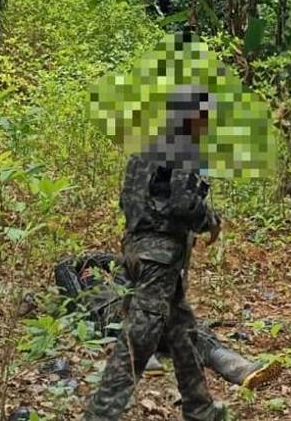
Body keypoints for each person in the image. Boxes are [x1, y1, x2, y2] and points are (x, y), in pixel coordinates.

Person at [85, 85, 226, 421]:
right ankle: (100, 414)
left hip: (136, 250)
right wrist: (210, 221)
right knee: (139, 338)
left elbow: (130, 201)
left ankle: (200, 408)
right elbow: (181, 203)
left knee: (182, 332)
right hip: (159, 257)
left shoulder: (145, 148)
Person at [55, 251, 279, 389]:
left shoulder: (115, 285)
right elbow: (65, 265)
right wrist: (87, 260)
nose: (90, 273)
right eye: (86, 272)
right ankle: (232, 364)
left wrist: (104, 262)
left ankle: (236, 366)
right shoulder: (87, 295)